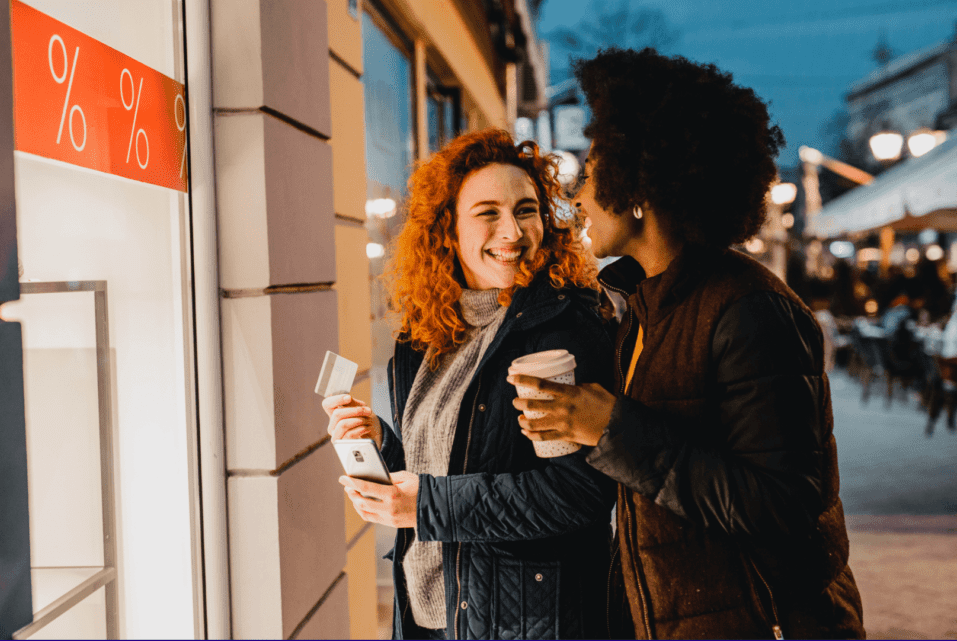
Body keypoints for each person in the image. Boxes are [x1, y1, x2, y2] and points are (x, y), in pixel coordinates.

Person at [508, 48, 866, 639]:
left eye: (592, 173)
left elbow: (784, 507)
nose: (579, 198)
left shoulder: (750, 311)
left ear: (638, 184)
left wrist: (611, 430)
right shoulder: (642, 307)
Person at [322, 129, 619, 640]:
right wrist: (381, 445)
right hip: (430, 616)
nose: (512, 231)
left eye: (526, 210)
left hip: (527, 622)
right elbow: (443, 466)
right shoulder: (428, 333)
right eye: (488, 213)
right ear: (448, 230)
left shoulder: (564, 327)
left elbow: (581, 494)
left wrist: (427, 505)